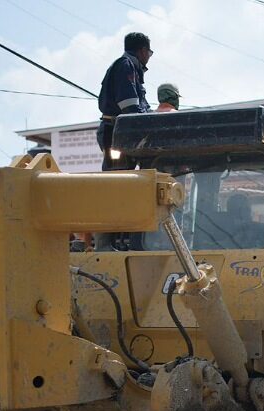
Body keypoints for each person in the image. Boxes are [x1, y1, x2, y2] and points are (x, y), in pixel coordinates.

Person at [95, 32, 153, 251]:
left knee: (125, 185)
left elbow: (141, 105)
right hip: (116, 133)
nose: (149, 56)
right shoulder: (126, 66)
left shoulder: (132, 67)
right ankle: (105, 243)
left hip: (123, 132)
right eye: (149, 52)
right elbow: (130, 106)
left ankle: (120, 240)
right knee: (114, 186)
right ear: (142, 50)